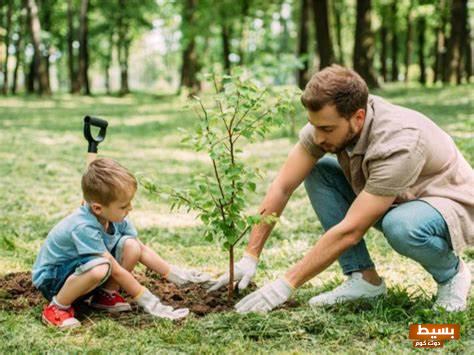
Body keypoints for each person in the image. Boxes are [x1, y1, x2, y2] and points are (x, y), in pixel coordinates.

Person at [209, 65, 473, 313]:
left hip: (445, 202)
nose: (318, 136)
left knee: (400, 225)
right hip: (394, 196)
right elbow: (283, 185)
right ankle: (364, 280)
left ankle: (452, 274)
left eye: (326, 128)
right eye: (314, 125)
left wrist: (285, 284)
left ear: (358, 117)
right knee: (318, 170)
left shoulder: (399, 142)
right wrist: (250, 255)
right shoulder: (326, 125)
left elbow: (351, 231)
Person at [33, 158, 209, 329]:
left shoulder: (114, 216)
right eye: (124, 206)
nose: (130, 208)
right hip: (54, 279)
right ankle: (57, 307)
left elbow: (141, 249)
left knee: (131, 246)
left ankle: (105, 295)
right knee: (101, 267)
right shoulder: (83, 226)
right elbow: (114, 269)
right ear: (97, 208)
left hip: (80, 272)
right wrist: (149, 301)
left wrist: (175, 275)